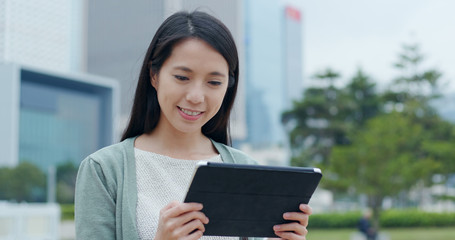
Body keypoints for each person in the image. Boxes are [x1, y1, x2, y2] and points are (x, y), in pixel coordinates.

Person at [75, 11, 312, 240]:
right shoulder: (104, 170)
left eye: (213, 82)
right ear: (154, 76)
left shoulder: (246, 168)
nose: (196, 96)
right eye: (182, 77)